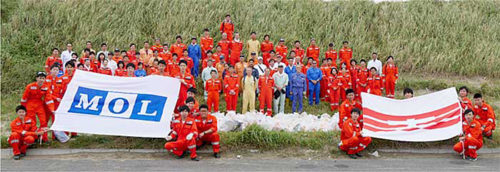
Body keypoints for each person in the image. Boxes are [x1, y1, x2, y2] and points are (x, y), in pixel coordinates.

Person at [21, 72, 49, 142]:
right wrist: (23, 108)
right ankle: (34, 138)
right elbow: (24, 98)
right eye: (40, 78)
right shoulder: (30, 86)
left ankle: (45, 138)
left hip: (39, 105)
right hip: (30, 105)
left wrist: (51, 108)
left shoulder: (45, 87)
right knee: (32, 123)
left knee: (43, 122)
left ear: (45, 79)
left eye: (43, 78)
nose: (41, 80)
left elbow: (48, 98)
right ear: (36, 78)